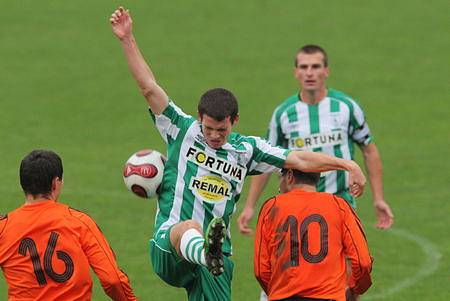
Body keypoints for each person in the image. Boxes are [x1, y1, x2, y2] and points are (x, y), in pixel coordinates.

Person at [110, 7, 366, 301]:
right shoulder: (181, 130)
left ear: (234, 121)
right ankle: (206, 252)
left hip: (217, 265)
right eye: (208, 129)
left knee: (211, 256)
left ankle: (211, 253)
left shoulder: (247, 150)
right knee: (189, 227)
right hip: (170, 247)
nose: (215, 136)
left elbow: (299, 159)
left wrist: (346, 165)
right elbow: (148, 87)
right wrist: (127, 38)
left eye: (221, 130)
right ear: (199, 118)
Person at [238, 44, 394, 237]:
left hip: (341, 202)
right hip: (298, 208)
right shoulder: (283, 114)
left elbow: (369, 150)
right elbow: (268, 158)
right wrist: (249, 206)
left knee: (346, 265)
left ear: (326, 71)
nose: (309, 73)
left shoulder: (346, 107)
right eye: (304, 67)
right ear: (296, 72)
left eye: (315, 66)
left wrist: (378, 199)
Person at [0, 150, 137, 301]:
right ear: (55, 183)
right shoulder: (79, 222)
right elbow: (113, 280)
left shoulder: (3, 228)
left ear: (23, 184)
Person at [254, 169, 373, 301]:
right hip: (329, 296)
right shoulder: (339, 205)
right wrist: (356, 288)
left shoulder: (271, 207)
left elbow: (261, 270)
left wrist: (278, 291)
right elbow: (363, 262)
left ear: (289, 176)